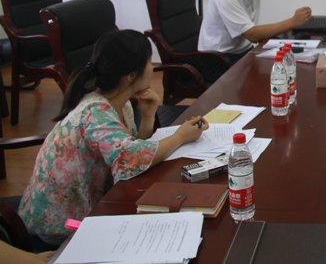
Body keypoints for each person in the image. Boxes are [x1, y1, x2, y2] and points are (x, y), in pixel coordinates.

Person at [18, 30, 208, 244]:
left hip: (93, 204)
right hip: (61, 225)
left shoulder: (119, 103)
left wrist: (147, 117)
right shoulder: (95, 113)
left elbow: (128, 149)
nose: (152, 67)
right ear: (131, 75)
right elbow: (130, 159)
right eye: (148, 61)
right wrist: (181, 136)